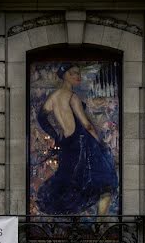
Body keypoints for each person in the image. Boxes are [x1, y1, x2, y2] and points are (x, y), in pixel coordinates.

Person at [35, 63, 118, 216]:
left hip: (68, 143)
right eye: (74, 73)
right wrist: (100, 143)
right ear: (65, 75)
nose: (78, 77)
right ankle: (100, 221)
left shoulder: (53, 97)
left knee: (70, 180)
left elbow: (41, 117)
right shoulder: (73, 98)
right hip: (82, 142)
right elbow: (86, 125)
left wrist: (56, 135)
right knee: (106, 178)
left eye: (79, 74)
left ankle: (75, 223)